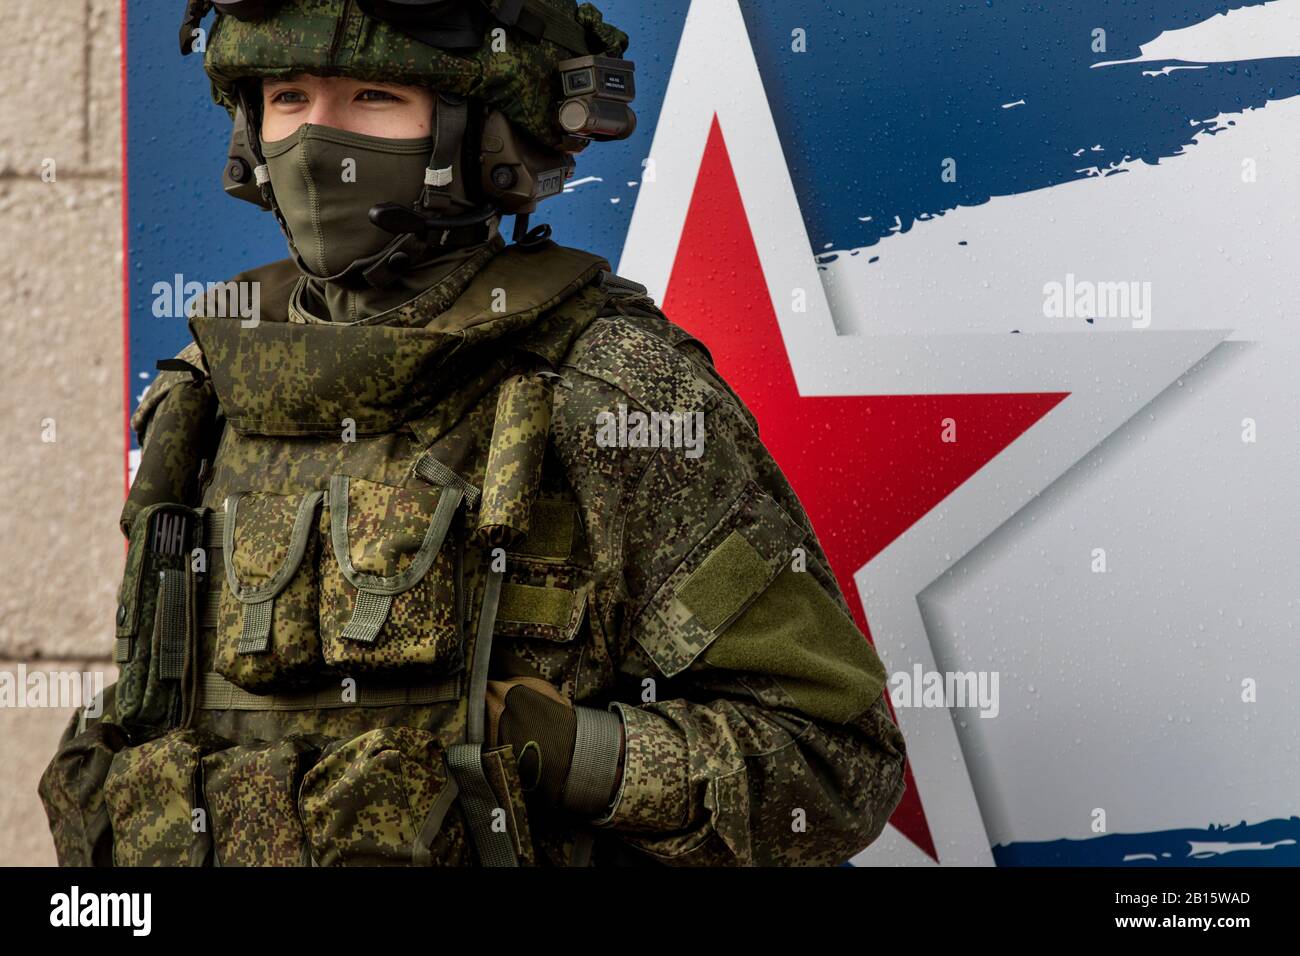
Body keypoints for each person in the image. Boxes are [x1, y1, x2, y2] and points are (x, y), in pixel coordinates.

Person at [38, 0, 906, 868]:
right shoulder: (211, 386)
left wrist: (575, 755)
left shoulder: (604, 387)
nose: (316, 142)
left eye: (375, 97)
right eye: (290, 97)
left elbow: (834, 761)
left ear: (483, 136)